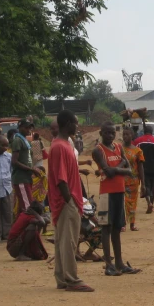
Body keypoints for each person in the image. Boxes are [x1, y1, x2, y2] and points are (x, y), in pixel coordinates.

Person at [48, 111, 94, 292]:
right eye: (75, 122)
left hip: (67, 201)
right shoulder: (60, 147)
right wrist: (70, 202)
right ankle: (72, 279)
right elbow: (61, 179)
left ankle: (62, 278)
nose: (77, 126)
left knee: (63, 240)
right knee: (69, 242)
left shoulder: (63, 144)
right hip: (67, 201)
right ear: (67, 123)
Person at [92, 122, 140, 276]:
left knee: (117, 228)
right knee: (106, 227)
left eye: (112, 133)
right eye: (107, 133)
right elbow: (110, 172)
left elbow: (129, 170)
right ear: (101, 133)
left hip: (119, 191)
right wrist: (122, 165)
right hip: (106, 193)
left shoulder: (118, 147)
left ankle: (119, 263)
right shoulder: (98, 150)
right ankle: (108, 264)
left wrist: (116, 168)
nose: (110, 135)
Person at [11, 118, 41, 219]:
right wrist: (31, 170)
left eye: (30, 128)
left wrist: (34, 169)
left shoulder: (25, 141)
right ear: (20, 128)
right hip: (21, 179)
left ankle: (18, 232)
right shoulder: (17, 140)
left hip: (26, 178)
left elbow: (27, 160)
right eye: (26, 128)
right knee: (28, 208)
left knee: (23, 206)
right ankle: (27, 232)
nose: (29, 130)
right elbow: (14, 161)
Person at [133, 124, 154, 214]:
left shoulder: (137, 141)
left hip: (142, 168)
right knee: (152, 186)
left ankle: (149, 203)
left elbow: (133, 154)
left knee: (145, 185)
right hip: (153, 168)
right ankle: (151, 203)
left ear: (143, 132)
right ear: (152, 132)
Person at [122, 128, 146, 232]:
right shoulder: (119, 149)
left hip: (133, 181)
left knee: (132, 203)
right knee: (122, 203)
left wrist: (143, 184)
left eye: (127, 134)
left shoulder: (137, 151)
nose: (125, 136)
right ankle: (122, 224)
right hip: (121, 180)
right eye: (124, 134)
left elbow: (141, 168)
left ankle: (132, 223)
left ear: (132, 136)